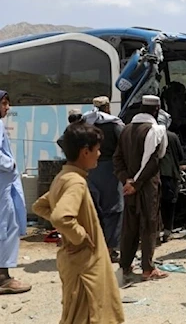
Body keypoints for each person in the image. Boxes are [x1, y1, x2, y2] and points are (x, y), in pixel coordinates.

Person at [32, 121, 124, 323]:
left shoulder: (63, 177)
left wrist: (70, 232)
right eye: (97, 150)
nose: (99, 154)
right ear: (85, 152)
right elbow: (60, 217)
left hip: (73, 261)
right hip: (84, 265)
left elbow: (40, 206)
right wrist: (80, 236)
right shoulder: (76, 182)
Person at [113, 95, 169, 281]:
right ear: (156, 110)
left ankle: (125, 265)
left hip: (129, 186)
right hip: (147, 186)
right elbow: (154, 162)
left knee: (130, 226)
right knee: (149, 224)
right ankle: (148, 268)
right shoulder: (156, 130)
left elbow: (117, 159)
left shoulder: (126, 130)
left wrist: (126, 181)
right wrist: (136, 184)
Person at [83, 96, 125, 263]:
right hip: (110, 171)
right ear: (107, 107)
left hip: (90, 171)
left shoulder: (86, 124)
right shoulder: (114, 124)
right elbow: (123, 146)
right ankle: (109, 250)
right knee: (114, 209)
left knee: (94, 210)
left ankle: (95, 247)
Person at [0, 90, 31, 295]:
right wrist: (10, 164)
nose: (7, 107)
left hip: (5, 185)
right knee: (6, 228)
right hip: (2, 185)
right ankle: (3, 278)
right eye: (3, 103)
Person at [157, 109, 183, 243]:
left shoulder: (151, 135)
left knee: (156, 205)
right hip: (171, 175)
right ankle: (167, 231)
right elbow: (181, 156)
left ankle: (156, 233)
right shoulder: (173, 136)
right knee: (169, 204)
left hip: (154, 175)